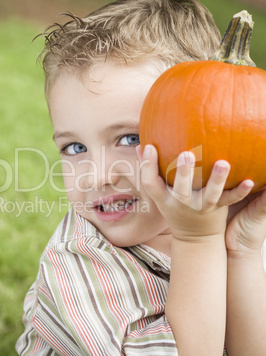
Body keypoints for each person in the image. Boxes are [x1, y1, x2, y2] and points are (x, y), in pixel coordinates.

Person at [16, 0, 266, 355]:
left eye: (130, 139)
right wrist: (197, 240)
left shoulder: (237, 220)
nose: (97, 177)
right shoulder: (77, 266)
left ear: (208, 123)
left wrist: (241, 252)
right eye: (74, 148)